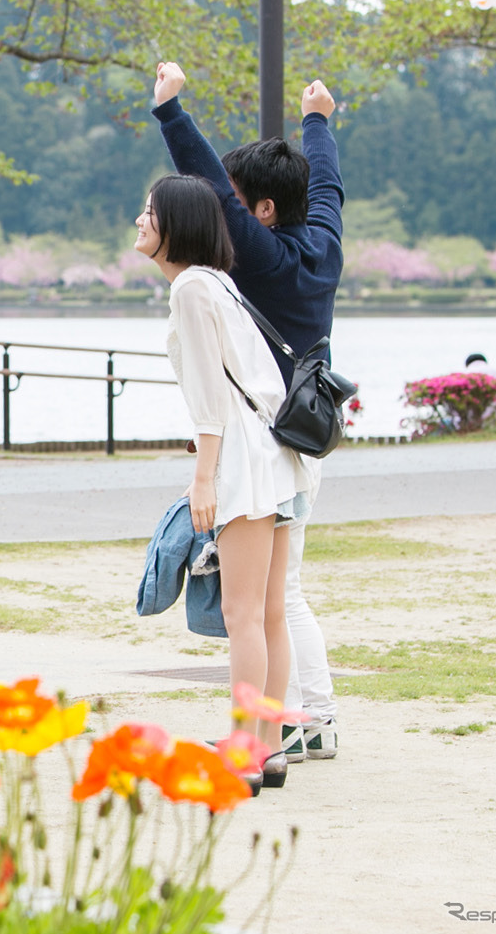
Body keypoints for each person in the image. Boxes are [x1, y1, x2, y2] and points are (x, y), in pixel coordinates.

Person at [151, 64, 344, 763]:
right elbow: (327, 186)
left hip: (262, 444)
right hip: (303, 437)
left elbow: (207, 192)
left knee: (274, 599)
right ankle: (291, 722)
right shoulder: (322, 244)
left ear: (262, 211)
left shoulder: (258, 258)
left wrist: (172, 113)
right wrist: (318, 121)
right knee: (280, 595)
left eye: (240, 200)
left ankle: (306, 717)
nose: (226, 208)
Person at [136, 174, 310, 790]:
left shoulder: (190, 287)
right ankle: (266, 747)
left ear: (174, 226)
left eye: (149, 212)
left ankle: (244, 751)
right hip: (273, 456)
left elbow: (211, 398)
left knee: (242, 615)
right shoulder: (218, 284)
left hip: (241, 461)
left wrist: (203, 476)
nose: (139, 221)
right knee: (267, 614)